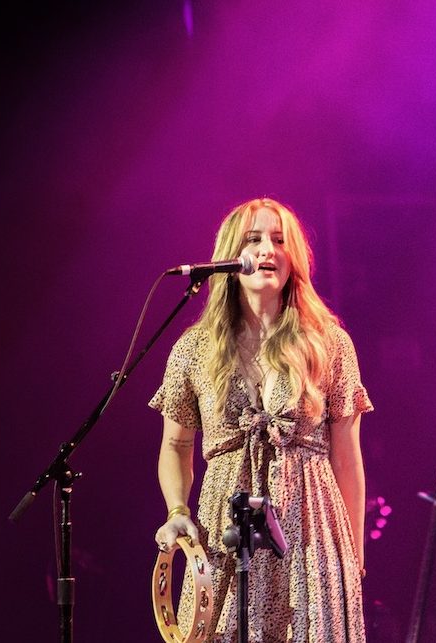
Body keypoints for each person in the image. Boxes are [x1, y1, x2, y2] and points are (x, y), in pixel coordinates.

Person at [152, 197, 371, 642]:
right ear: (231, 255)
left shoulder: (329, 343)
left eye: (279, 240)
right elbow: (175, 445)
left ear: (295, 258)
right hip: (225, 530)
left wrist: (353, 555)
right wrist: (177, 510)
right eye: (254, 239)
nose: (267, 249)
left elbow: (348, 458)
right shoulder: (193, 349)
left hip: (310, 531)